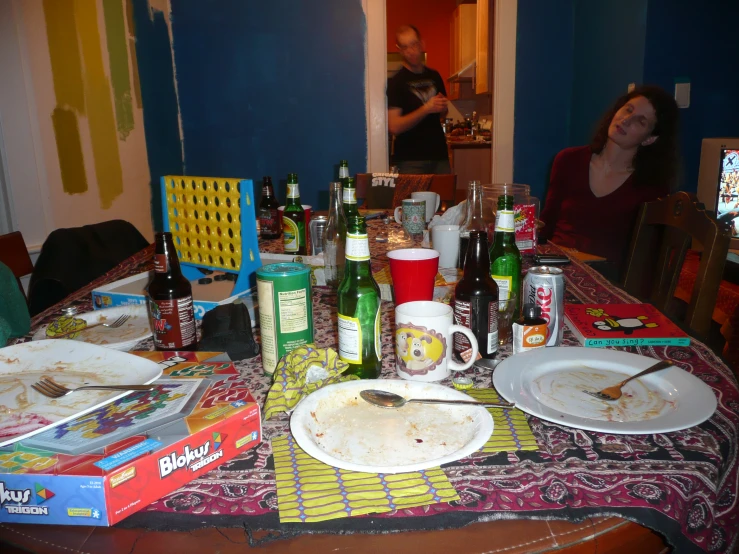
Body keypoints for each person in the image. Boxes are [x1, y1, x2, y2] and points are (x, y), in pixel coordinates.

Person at [539, 85, 680, 280]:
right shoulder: (567, 160)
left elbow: (647, 257)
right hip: (555, 269)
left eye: (640, 121)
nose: (626, 120)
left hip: (607, 281)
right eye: (628, 110)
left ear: (650, 139)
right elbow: (546, 224)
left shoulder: (651, 186)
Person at [387, 24, 451, 175]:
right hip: (410, 161)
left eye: (414, 44)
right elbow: (394, 126)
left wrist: (442, 108)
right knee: (411, 200)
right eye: (405, 47)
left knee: (446, 198)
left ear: (421, 44)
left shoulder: (434, 76)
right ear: (400, 50)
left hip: (439, 157)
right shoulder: (396, 82)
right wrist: (426, 108)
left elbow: (443, 113)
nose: (411, 51)